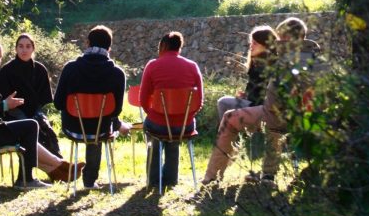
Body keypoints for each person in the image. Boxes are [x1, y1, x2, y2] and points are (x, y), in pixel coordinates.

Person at [202, 17, 321, 186]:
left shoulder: (291, 59)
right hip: (298, 118)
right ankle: (266, 176)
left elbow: (280, 100)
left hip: (277, 116)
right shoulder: (312, 58)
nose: (277, 41)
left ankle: (212, 178)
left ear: (287, 38)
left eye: (279, 38)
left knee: (230, 117)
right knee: (261, 121)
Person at [0, 39, 83, 189]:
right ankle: (38, 174)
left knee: (31, 125)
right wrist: (4, 106)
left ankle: (55, 170)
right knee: (29, 126)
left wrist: (2, 107)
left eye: (0, 57)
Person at [54, 26, 131, 190]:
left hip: (72, 127)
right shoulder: (117, 73)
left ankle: (87, 178)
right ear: (109, 47)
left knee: (95, 126)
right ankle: (90, 180)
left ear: (88, 43)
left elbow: (58, 103)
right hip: (100, 129)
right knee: (98, 130)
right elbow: (115, 111)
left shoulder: (70, 68)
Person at [139, 31, 204, 189]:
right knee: (173, 137)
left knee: (155, 134)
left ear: (163, 46)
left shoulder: (153, 65)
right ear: (179, 48)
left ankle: (153, 180)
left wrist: (154, 114)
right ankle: (171, 179)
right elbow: (199, 101)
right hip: (184, 125)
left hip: (158, 122)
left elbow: (143, 100)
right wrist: (186, 116)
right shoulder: (192, 66)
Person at [0, 33, 62, 157]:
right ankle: (52, 166)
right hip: (12, 113)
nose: (24, 50)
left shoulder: (40, 69)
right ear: (16, 49)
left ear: (33, 48)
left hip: (35, 110)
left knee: (46, 129)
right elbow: (1, 99)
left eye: (27, 46)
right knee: (30, 128)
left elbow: (43, 97)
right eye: (20, 46)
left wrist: (36, 112)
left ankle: (58, 161)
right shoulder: (6, 70)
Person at [216, 26, 277, 119]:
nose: (251, 46)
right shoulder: (256, 62)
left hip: (263, 109)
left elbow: (267, 95)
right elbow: (255, 89)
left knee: (223, 102)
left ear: (265, 45)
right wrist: (246, 95)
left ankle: (225, 132)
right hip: (254, 105)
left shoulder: (272, 65)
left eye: (255, 43)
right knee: (226, 103)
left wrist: (248, 99)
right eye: (251, 43)